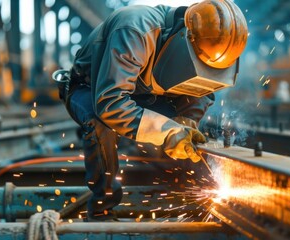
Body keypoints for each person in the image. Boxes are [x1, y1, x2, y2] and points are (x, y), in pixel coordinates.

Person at [52, 0, 248, 221]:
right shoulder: (135, 30)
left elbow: (202, 90)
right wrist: (166, 132)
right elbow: (110, 102)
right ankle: (101, 209)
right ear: (185, 36)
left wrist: (186, 121)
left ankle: (199, 196)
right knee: (101, 125)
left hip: (142, 93)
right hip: (91, 88)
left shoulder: (205, 45)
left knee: (185, 136)